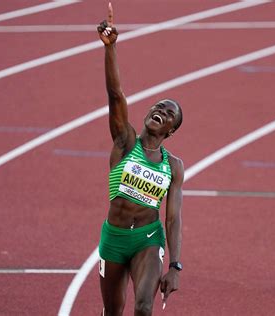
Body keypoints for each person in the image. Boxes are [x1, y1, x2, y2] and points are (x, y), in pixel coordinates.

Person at [96, 3, 184, 315]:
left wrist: (174, 265)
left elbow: (172, 218)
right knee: (113, 311)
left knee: (144, 307)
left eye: (169, 113)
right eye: (158, 106)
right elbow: (116, 95)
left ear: (171, 130)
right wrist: (111, 48)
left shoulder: (173, 166)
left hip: (148, 238)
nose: (161, 111)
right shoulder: (125, 141)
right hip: (114, 237)